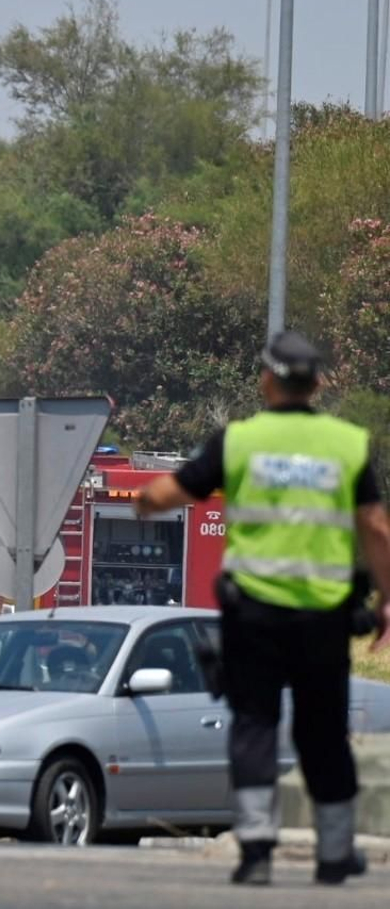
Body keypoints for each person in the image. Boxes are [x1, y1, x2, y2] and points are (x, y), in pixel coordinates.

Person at [136, 330, 390, 887]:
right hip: (323, 617)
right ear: (317, 384)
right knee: (324, 733)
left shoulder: (239, 442)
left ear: (267, 380)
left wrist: (143, 501)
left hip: (253, 614)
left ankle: (255, 852)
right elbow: (375, 526)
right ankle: (335, 852)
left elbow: (172, 493)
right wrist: (386, 598)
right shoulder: (347, 444)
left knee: (254, 725)